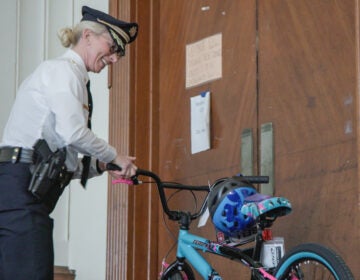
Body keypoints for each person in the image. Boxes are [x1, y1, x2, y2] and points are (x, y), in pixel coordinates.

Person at [0, 6, 138, 280]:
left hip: (23, 189)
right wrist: (116, 155)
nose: (114, 59)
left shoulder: (67, 76)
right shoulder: (63, 72)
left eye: (118, 54)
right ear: (87, 35)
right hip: (21, 192)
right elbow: (72, 133)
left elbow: (57, 158)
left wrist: (101, 164)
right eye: (112, 48)